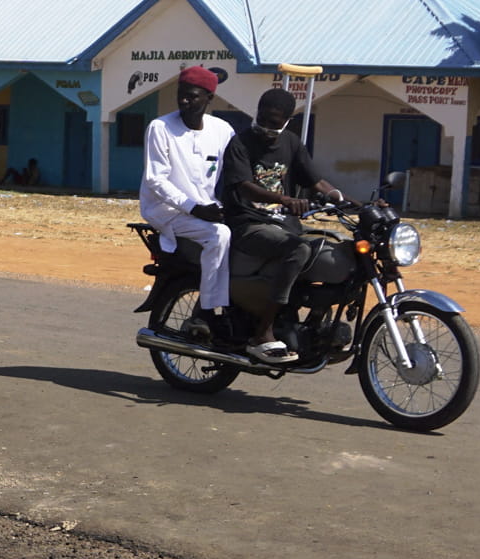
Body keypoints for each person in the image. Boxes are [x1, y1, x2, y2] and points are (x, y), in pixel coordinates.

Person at [221, 87, 344, 364]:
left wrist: (356, 204)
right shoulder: (240, 144)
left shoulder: (291, 143)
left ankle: (310, 322)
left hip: (284, 225)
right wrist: (284, 199)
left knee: (329, 250)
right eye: (263, 118)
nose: (266, 126)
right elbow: (244, 187)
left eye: (274, 122)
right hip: (247, 223)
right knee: (298, 250)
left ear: (288, 120)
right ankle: (262, 331)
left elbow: (317, 182)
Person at [139, 66, 235, 337]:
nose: (184, 101)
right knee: (219, 235)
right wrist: (195, 208)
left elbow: (235, 169)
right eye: (181, 95)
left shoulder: (222, 130)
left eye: (192, 96)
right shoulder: (160, 127)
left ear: (209, 99)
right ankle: (207, 312)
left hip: (206, 207)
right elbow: (156, 181)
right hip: (165, 209)